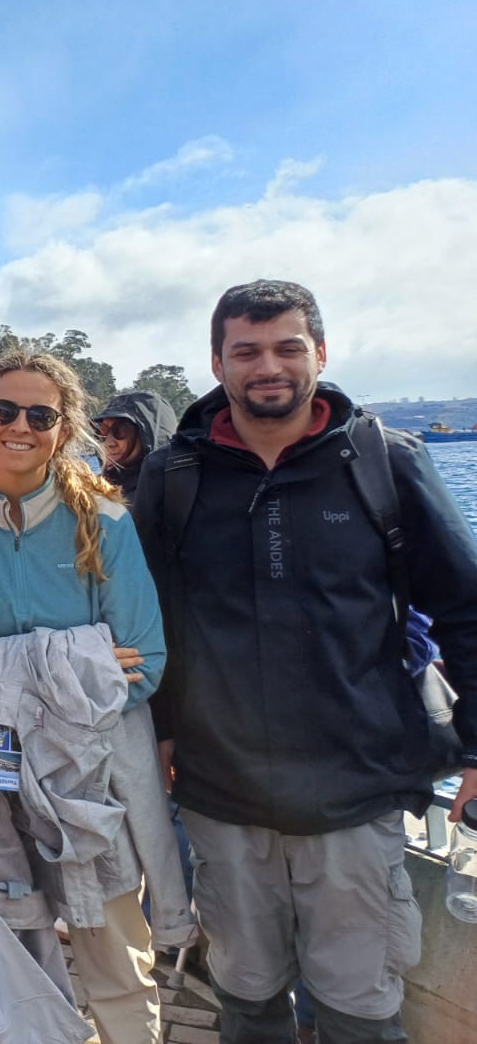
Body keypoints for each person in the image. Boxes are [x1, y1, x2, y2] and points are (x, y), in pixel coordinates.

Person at [131, 279, 477, 1044]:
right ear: (217, 363)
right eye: (246, 351)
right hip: (222, 797)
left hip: (357, 791)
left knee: (361, 1010)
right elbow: (153, 619)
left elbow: (465, 609)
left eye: (288, 347)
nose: (269, 367)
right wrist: (158, 728)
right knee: (248, 1002)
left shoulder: (386, 462)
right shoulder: (174, 476)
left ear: (319, 353)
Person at [0, 351, 185, 1044]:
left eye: (41, 415)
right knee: (23, 955)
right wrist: (79, 657)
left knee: (118, 961)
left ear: (64, 427)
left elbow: (144, 665)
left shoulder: (107, 523)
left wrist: (4, 670)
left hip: (93, 782)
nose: (20, 427)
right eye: (4, 411)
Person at [93, 391, 178, 502]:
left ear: (145, 436)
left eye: (120, 430)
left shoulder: (171, 495)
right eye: (102, 430)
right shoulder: (97, 491)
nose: (108, 442)